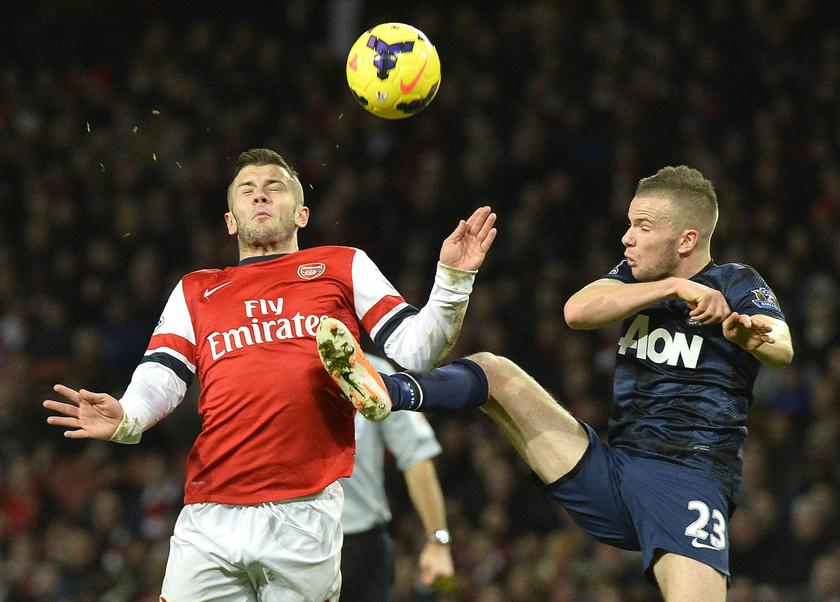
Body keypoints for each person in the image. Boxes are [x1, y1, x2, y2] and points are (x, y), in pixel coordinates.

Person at [317, 165, 794, 602]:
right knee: (493, 371)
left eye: (643, 228)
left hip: (686, 482)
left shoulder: (736, 282)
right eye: (629, 223)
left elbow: (782, 346)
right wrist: (671, 288)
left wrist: (745, 334)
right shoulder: (636, 278)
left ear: (687, 240)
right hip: (613, 471)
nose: (627, 238)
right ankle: (388, 390)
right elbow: (577, 311)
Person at [43, 148, 496, 601]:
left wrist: (452, 281)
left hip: (304, 510)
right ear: (230, 220)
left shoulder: (343, 265)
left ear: (301, 214)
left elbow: (416, 349)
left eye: (274, 187)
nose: (260, 194)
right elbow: (163, 372)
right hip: (210, 510)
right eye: (247, 190)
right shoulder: (196, 289)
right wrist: (127, 417)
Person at [339, 354, 454, 602]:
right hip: (341, 543)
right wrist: (437, 540)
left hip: (350, 544)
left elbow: (416, 456)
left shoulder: (371, 370)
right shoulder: (369, 369)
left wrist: (438, 538)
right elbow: (416, 457)